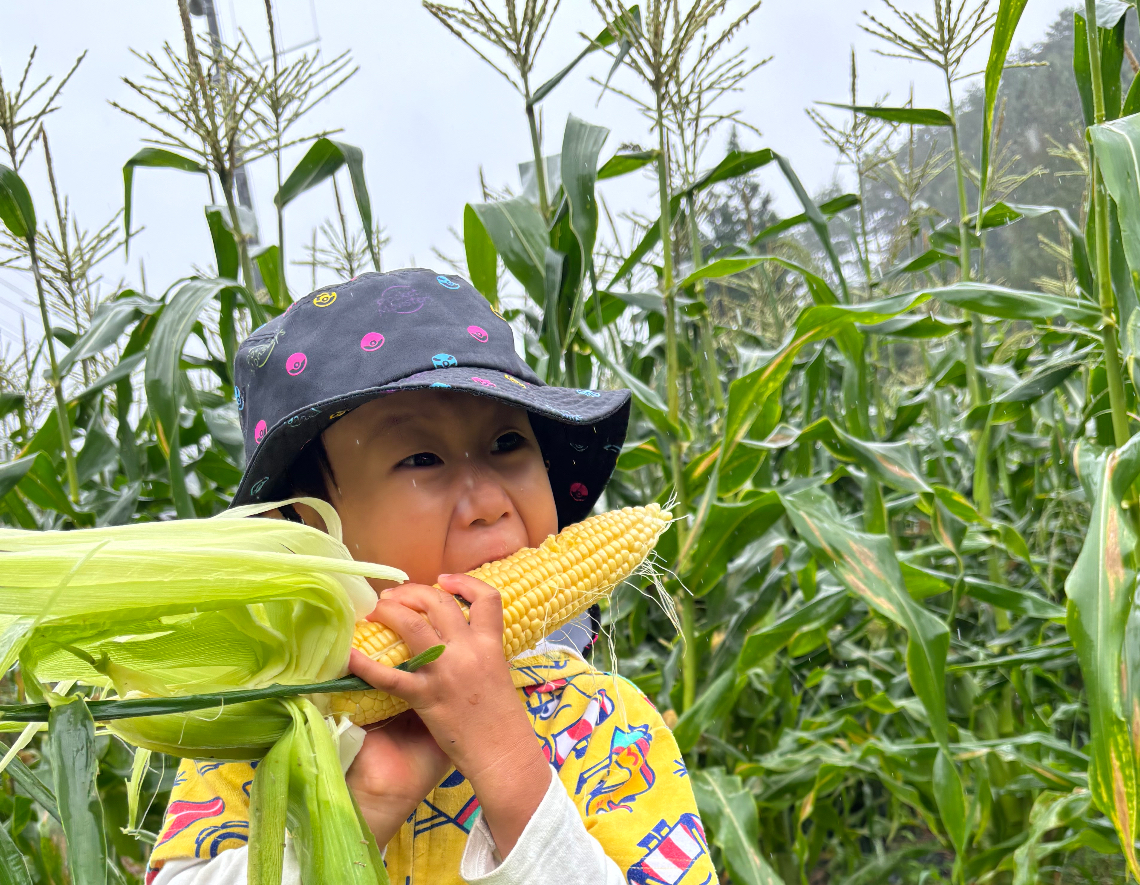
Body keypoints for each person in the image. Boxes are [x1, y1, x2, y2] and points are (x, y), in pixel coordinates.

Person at [146, 268, 715, 885]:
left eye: (506, 443)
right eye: (422, 458)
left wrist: (506, 759)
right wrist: (366, 805)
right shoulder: (264, 726)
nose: (489, 502)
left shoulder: (600, 720)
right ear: (312, 531)